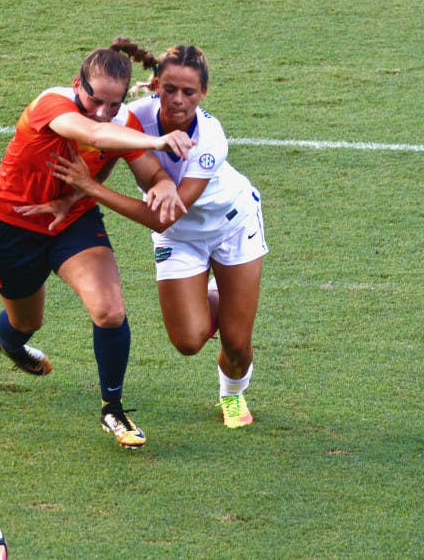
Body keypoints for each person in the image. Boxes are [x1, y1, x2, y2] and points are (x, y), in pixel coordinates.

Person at [0, 42, 196, 449]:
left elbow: (147, 172)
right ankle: (8, 341)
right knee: (26, 322)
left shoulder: (122, 121)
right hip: (12, 222)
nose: (103, 112)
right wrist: (158, 142)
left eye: (114, 104)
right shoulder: (52, 104)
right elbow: (95, 133)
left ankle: (113, 408)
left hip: (73, 220)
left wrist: (164, 183)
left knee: (109, 311)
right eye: (96, 100)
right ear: (77, 84)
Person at [48, 39, 268, 429]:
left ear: (204, 93)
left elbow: (164, 217)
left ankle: (232, 395)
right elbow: (108, 155)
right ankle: (223, 295)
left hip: (233, 226)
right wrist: (74, 195)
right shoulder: (133, 117)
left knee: (237, 343)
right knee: (188, 341)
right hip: (180, 239)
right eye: (170, 89)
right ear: (154, 86)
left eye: (189, 92)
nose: (178, 100)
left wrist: (91, 189)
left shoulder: (210, 138)